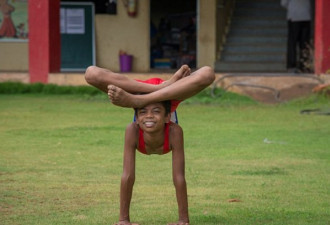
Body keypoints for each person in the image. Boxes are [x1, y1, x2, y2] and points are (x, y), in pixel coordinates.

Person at [85, 65, 215, 225]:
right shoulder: (133, 130)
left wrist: (183, 220)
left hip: (161, 97)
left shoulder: (174, 131)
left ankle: (143, 100)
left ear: (168, 117)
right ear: (137, 116)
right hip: (154, 89)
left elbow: (179, 177)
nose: (149, 117)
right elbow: (127, 175)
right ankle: (160, 87)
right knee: (91, 73)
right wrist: (123, 220)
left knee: (208, 73)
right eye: (142, 112)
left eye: (155, 112)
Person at [281, 0, 312, 73]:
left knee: (292, 43)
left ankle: (291, 65)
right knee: (304, 44)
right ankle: (305, 65)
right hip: (306, 16)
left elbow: (283, 3)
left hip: (294, 17)